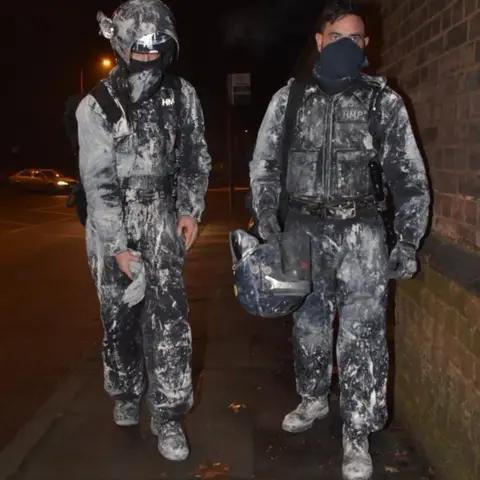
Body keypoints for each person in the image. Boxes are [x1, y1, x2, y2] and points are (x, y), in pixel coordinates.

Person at [249, 1, 430, 479]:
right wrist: (269, 223)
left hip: (363, 235)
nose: (346, 46)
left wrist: (407, 240)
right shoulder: (288, 100)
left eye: (356, 39)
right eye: (337, 37)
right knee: (308, 324)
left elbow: (410, 178)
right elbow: (264, 164)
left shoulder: (383, 102)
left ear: (366, 46)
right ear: (319, 40)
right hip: (302, 230)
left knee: (363, 336)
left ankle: (358, 434)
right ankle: (312, 399)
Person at [76, 0, 211, 462]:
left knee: (169, 317)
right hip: (110, 220)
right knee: (118, 319)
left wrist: (190, 209)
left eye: (158, 43)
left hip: (162, 215)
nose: (150, 53)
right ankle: (126, 391)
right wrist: (116, 248)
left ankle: (169, 416)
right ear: (121, 42)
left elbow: (196, 156)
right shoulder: (96, 103)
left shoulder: (183, 93)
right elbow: (98, 182)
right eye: (140, 44)